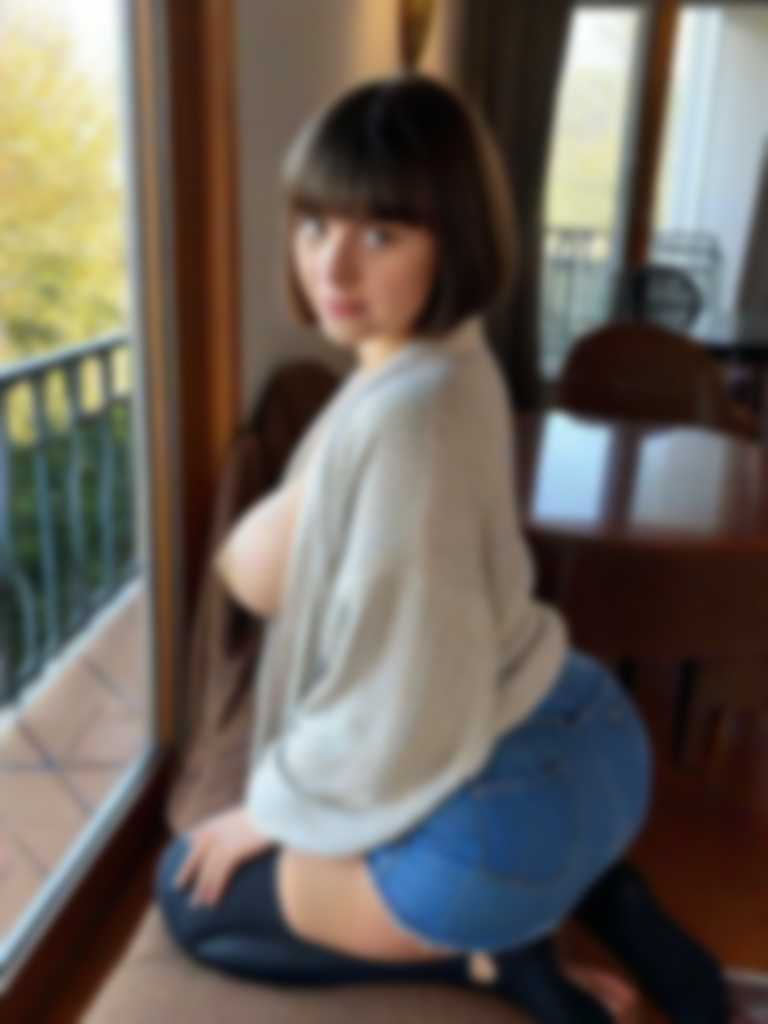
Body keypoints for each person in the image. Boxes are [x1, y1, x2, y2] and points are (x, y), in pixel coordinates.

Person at [154, 73, 730, 1023]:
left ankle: (503, 957)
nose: (332, 267)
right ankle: (607, 907)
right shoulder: (446, 360)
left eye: (381, 234)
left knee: (190, 894)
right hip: (589, 734)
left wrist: (273, 811)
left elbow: (400, 694)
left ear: (452, 239)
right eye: (315, 225)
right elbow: (272, 566)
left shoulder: (405, 420)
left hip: (502, 821)